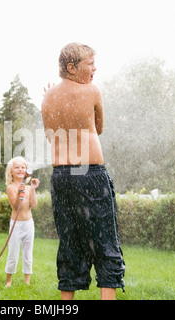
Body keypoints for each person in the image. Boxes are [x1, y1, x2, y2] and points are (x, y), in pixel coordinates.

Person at [41, 43, 125, 300]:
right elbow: (97, 128)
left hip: (61, 178)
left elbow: (52, 137)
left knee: (70, 241)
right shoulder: (91, 90)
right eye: (89, 63)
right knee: (104, 240)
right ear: (71, 67)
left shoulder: (46, 97)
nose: (94, 68)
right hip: (90, 174)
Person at [4, 156, 40, 287]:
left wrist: (33, 189)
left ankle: (27, 280)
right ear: (11, 172)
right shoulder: (11, 188)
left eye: (23, 167)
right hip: (16, 225)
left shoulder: (29, 188)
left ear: (26, 171)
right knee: (13, 252)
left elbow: (33, 204)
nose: (20, 169)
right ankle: (9, 280)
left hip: (28, 224)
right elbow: (15, 207)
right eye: (17, 167)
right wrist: (19, 193)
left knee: (27, 253)